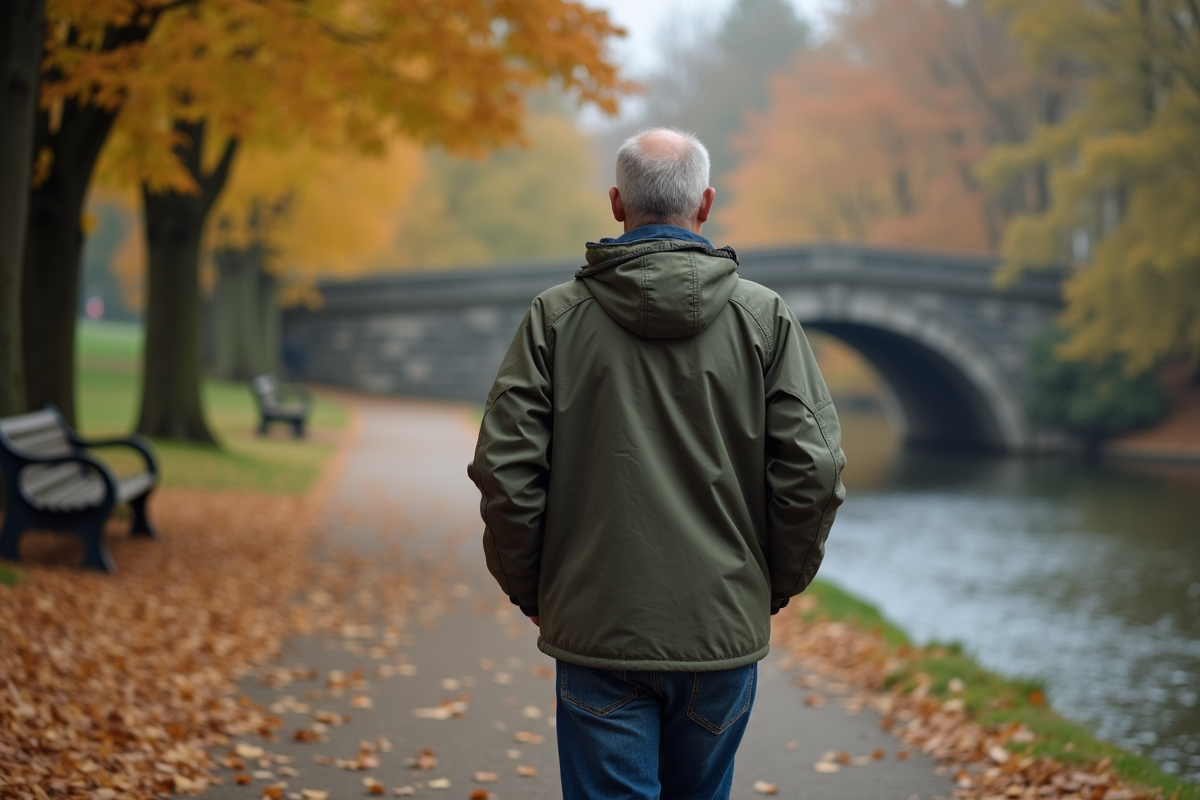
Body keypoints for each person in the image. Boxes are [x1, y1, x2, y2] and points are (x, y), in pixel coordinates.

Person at [467, 128, 846, 800]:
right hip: (719, 625)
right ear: (705, 204)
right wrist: (770, 585)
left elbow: (506, 471)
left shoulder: (555, 320)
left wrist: (535, 589)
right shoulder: (767, 320)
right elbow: (813, 472)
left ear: (617, 203)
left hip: (598, 624)